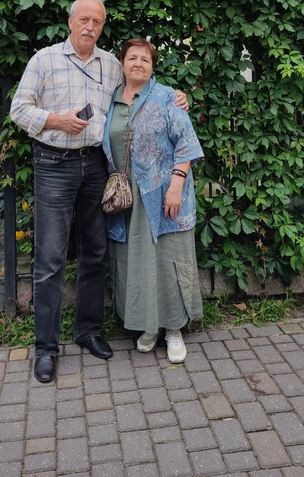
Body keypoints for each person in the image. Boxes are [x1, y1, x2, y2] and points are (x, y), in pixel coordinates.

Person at [10, 0, 187, 383]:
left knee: (95, 253)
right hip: (54, 164)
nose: (90, 26)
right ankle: (46, 348)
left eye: (97, 21)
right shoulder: (44, 60)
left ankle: (88, 331)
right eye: (84, 19)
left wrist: (175, 96)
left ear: (102, 27)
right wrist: (56, 120)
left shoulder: (110, 64)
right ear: (70, 22)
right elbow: (19, 109)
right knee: (51, 259)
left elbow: (140, 90)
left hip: (96, 166)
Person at [103, 38, 204, 364]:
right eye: (132, 58)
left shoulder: (166, 97)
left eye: (145, 59)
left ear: (152, 66)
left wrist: (176, 185)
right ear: (122, 64)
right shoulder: (111, 101)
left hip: (164, 195)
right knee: (137, 261)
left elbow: (186, 142)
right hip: (127, 198)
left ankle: (173, 329)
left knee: (167, 259)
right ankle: (149, 326)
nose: (138, 64)